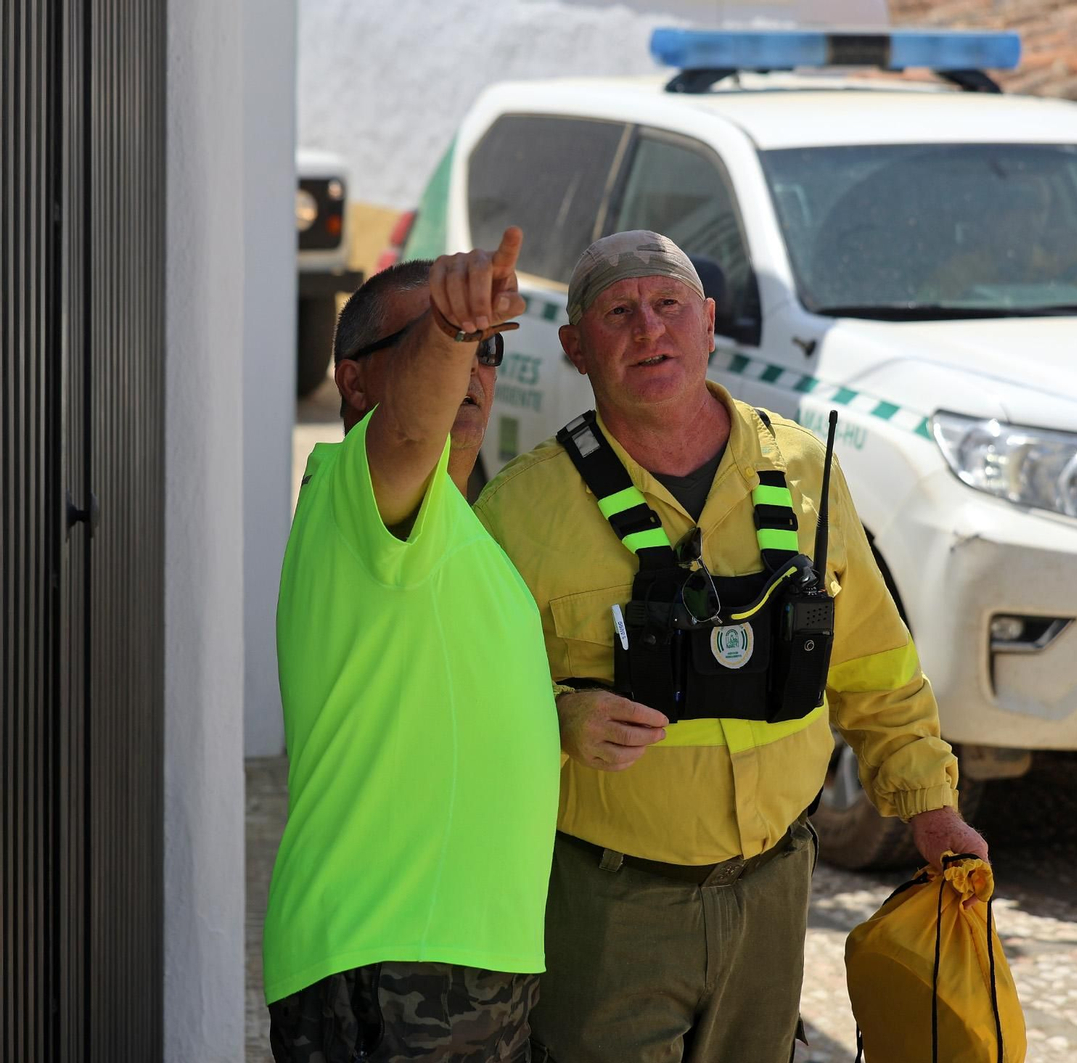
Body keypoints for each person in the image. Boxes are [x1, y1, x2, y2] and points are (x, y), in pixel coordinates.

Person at [474, 230, 988, 1063]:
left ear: (708, 323)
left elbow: (873, 664)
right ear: (574, 347)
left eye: (669, 304)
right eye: (618, 313)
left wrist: (931, 807)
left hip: (774, 889)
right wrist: (558, 717)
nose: (650, 330)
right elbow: (466, 704)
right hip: (608, 902)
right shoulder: (518, 513)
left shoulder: (806, 471)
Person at [265, 229, 561, 1062]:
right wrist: (455, 327)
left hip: (446, 955)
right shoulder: (362, 483)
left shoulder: (458, 523)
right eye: (431, 338)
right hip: (397, 952)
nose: (474, 368)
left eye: (489, 348)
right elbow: (406, 435)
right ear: (353, 378)